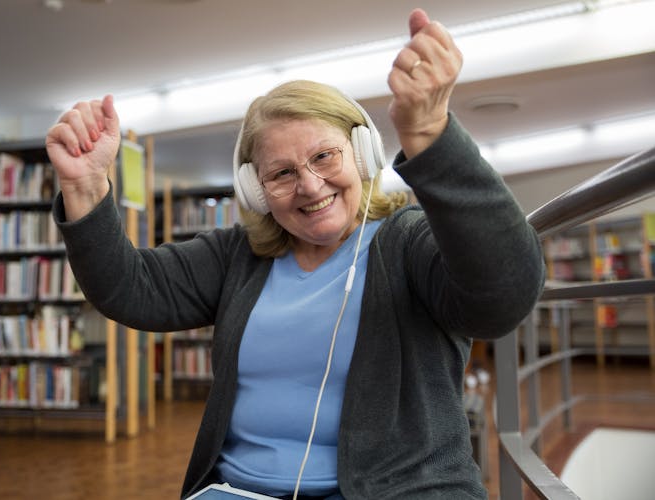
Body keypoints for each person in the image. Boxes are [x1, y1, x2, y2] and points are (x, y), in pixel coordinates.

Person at [46, 7, 545, 500]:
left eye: (324, 156)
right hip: (240, 491)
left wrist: (431, 135)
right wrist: (87, 188)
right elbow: (131, 289)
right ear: (256, 191)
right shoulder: (238, 256)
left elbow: (503, 296)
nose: (309, 185)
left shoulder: (408, 240)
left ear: (363, 153)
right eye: (281, 173)